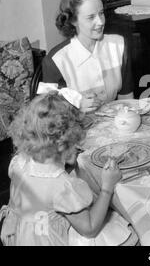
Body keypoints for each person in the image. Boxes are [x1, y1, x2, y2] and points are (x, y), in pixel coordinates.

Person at [0, 92, 135, 246]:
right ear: (65, 142)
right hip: (43, 240)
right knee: (115, 230)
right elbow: (90, 229)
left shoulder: (17, 163)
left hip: (18, 235)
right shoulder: (62, 186)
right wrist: (107, 188)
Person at [42, 0, 134, 113]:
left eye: (101, 13)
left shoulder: (119, 45)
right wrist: (75, 108)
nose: (100, 22)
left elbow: (127, 100)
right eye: (91, 17)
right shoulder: (56, 60)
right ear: (73, 20)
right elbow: (48, 116)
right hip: (74, 129)